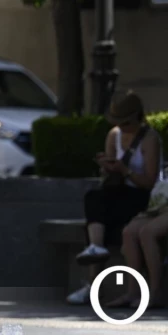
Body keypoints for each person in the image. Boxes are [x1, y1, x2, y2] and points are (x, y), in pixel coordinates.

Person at [67, 91, 161, 305]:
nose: (123, 127)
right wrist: (108, 167)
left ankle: (93, 282)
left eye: (126, 122)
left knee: (101, 214)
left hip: (140, 196)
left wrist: (125, 170)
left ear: (137, 117)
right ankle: (96, 250)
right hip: (116, 194)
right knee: (94, 199)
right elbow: (109, 178)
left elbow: (150, 182)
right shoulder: (114, 135)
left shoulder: (149, 139)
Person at [107, 183, 168, 309]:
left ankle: (156, 292)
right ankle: (132, 292)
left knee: (148, 233)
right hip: (160, 208)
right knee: (129, 232)